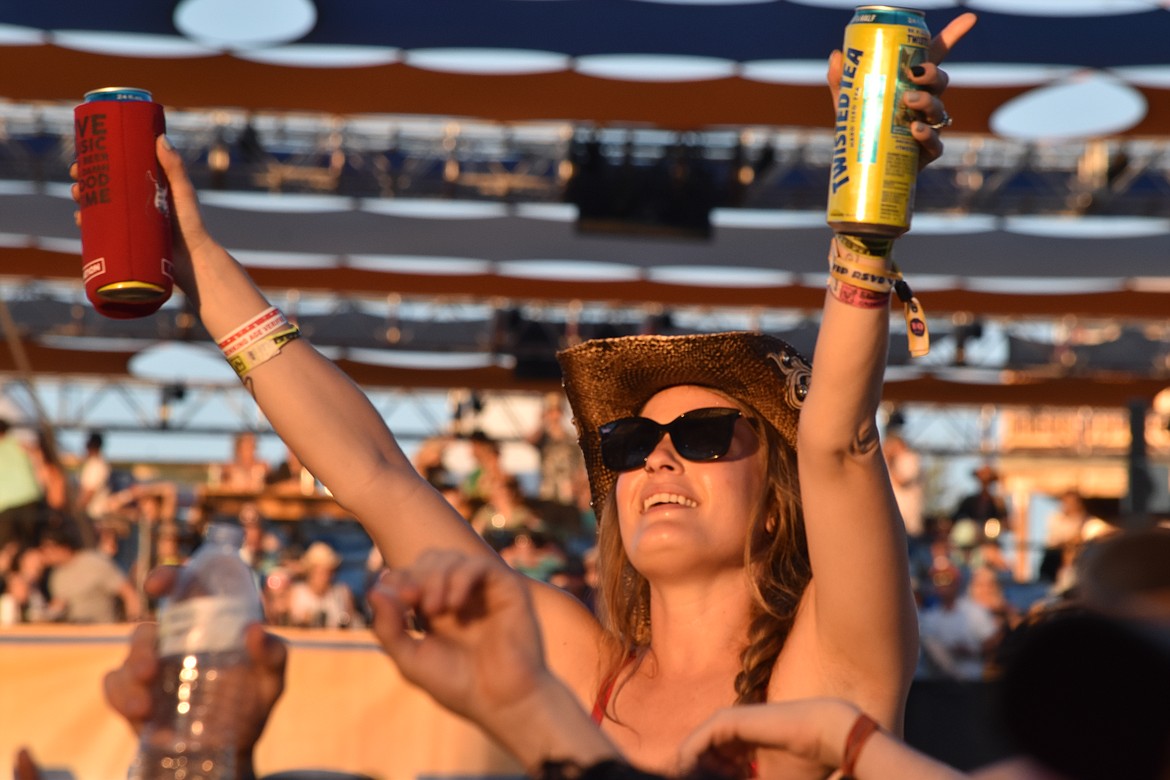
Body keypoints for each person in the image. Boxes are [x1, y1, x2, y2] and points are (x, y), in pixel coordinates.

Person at [77, 13, 975, 773]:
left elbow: (838, 443)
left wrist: (869, 220)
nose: (656, 454)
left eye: (704, 434)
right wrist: (204, 270)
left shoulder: (829, 658)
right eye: (626, 444)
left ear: (778, 505)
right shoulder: (577, 664)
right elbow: (380, 479)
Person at [38, 524, 141, 623]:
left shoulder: (94, 563)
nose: (46, 553)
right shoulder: (56, 576)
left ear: (64, 547)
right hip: (71, 634)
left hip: (103, 633)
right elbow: (56, 607)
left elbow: (129, 593)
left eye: (49, 548)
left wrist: (132, 623)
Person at [0, 418, 43, 551]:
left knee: (6, 546)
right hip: (31, 499)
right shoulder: (21, 444)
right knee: (29, 545)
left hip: (6, 504)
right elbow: (40, 464)